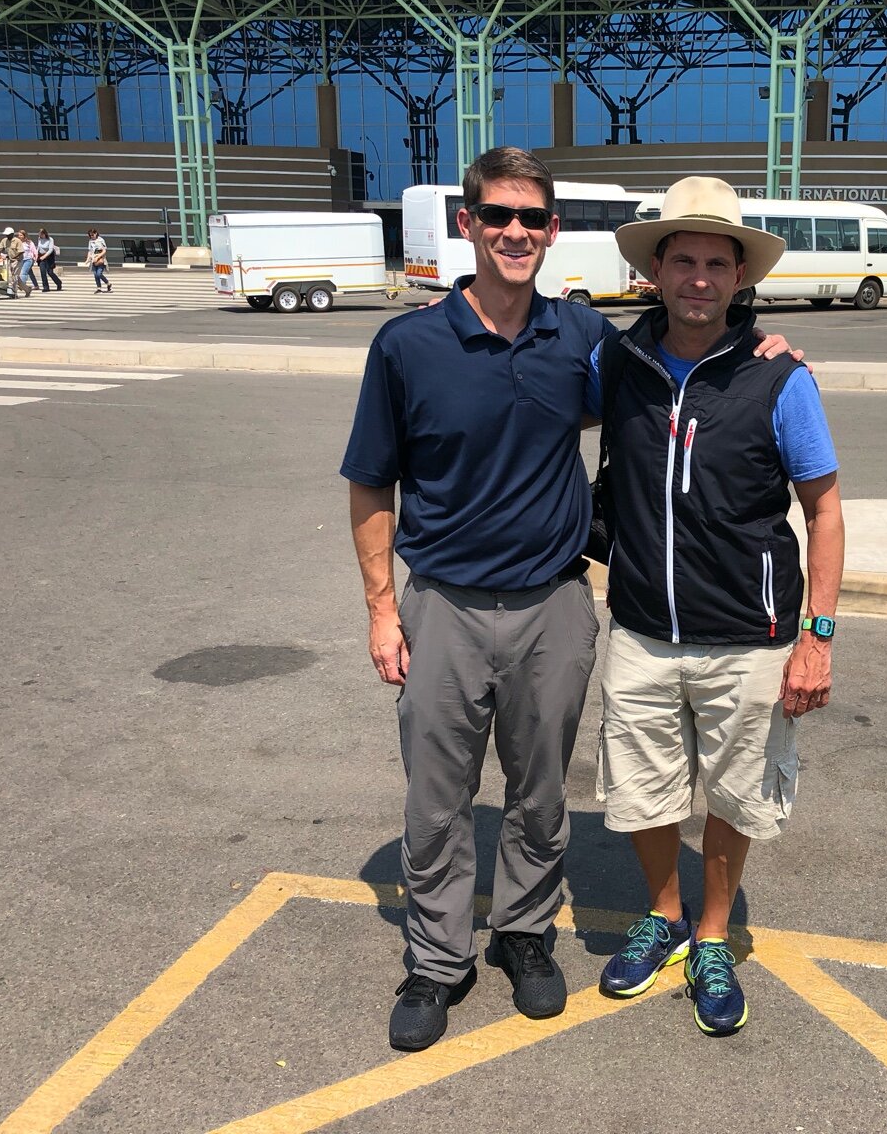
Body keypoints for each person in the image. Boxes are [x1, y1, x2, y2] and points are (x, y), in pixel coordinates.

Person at [341, 148, 796, 1054]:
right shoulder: (408, 344)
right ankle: (436, 960)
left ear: (553, 231)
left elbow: (682, 356)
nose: (515, 232)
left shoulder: (580, 338)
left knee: (540, 789)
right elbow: (369, 486)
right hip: (443, 601)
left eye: (533, 219)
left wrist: (763, 348)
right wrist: (382, 610)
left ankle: (523, 930)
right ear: (467, 223)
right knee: (437, 795)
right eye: (497, 215)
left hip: (553, 602)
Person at [593, 177, 845, 1038]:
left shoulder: (780, 380)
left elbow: (825, 510)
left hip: (751, 636)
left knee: (735, 797)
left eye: (716, 264)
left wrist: (818, 636)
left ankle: (710, 934)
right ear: (654, 271)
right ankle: (663, 912)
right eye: (683, 261)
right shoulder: (614, 364)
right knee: (646, 792)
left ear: (740, 280)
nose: (698, 278)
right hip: (641, 629)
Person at [0, 227, 24, 299]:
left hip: (18, 260)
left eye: (8, 235)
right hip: (10, 260)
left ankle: (14, 293)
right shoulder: (4, 240)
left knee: (14, 276)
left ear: (12, 234)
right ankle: (27, 289)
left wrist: (15, 257)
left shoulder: (17, 241)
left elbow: (21, 251)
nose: (7, 236)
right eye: (6, 235)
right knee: (12, 277)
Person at [17, 230, 39, 297]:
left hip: (28, 259)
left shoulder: (29, 242)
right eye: (18, 235)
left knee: (23, 273)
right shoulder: (17, 242)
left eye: (21, 235)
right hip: (21, 260)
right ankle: (35, 285)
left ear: (24, 236)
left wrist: (35, 259)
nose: (19, 236)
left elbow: (34, 251)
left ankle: (22, 285)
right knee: (30, 273)